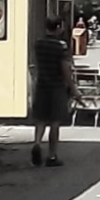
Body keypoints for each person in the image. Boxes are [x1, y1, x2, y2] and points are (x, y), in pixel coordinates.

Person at [29, 9, 77, 164]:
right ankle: (52, 156)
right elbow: (65, 69)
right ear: (58, 27)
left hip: (41, 85)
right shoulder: (61, 46)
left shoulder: (39, 44)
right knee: (55, 122)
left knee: (41, 119)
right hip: (57, 87)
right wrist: (73, 89)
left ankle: (37, 143)